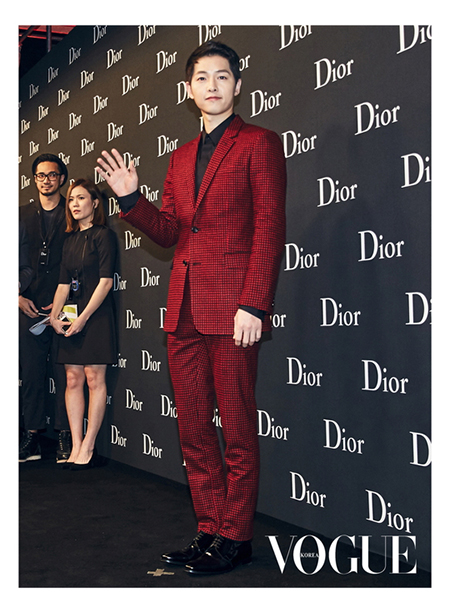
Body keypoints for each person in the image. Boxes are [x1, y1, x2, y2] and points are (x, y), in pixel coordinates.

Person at [96, 41, 286, 575]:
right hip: (183, 310)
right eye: (202, 78)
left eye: (222, 76)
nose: (212, 86)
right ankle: (209, 529)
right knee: (195, 430)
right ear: (188, 90)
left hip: (234, 311)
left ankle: (236, 536)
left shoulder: (259, 143)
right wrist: (130, 199)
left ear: (238, 86)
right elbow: (169, 232)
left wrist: (254, 304)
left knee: (238, 430)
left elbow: (270, 228)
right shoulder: (180, 157)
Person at [50, 179, 117, 470]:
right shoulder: (69, 240)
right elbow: (63, 284)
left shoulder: (104, 236)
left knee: (93, 378)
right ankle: (76, 444)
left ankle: (89, 446)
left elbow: (106, 282)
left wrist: (83, 318)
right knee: (73, 379)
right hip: (71, 314)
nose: (75, 204)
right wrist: (55, 316)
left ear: (95, 202)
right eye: (71, 200)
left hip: (96, 315)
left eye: (81, 198)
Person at [19, 153, 71, 463]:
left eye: (52, 175)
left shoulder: (73, 210)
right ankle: (33, 436)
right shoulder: (20, 215)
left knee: (67, 374)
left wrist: (64, 300)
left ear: (61, 178)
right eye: (40, 175)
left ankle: (65, 434)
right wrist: (15, 296)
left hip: (67, 305)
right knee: (31, 374)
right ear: (34, 179)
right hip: (27, 304)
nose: (46, 180)